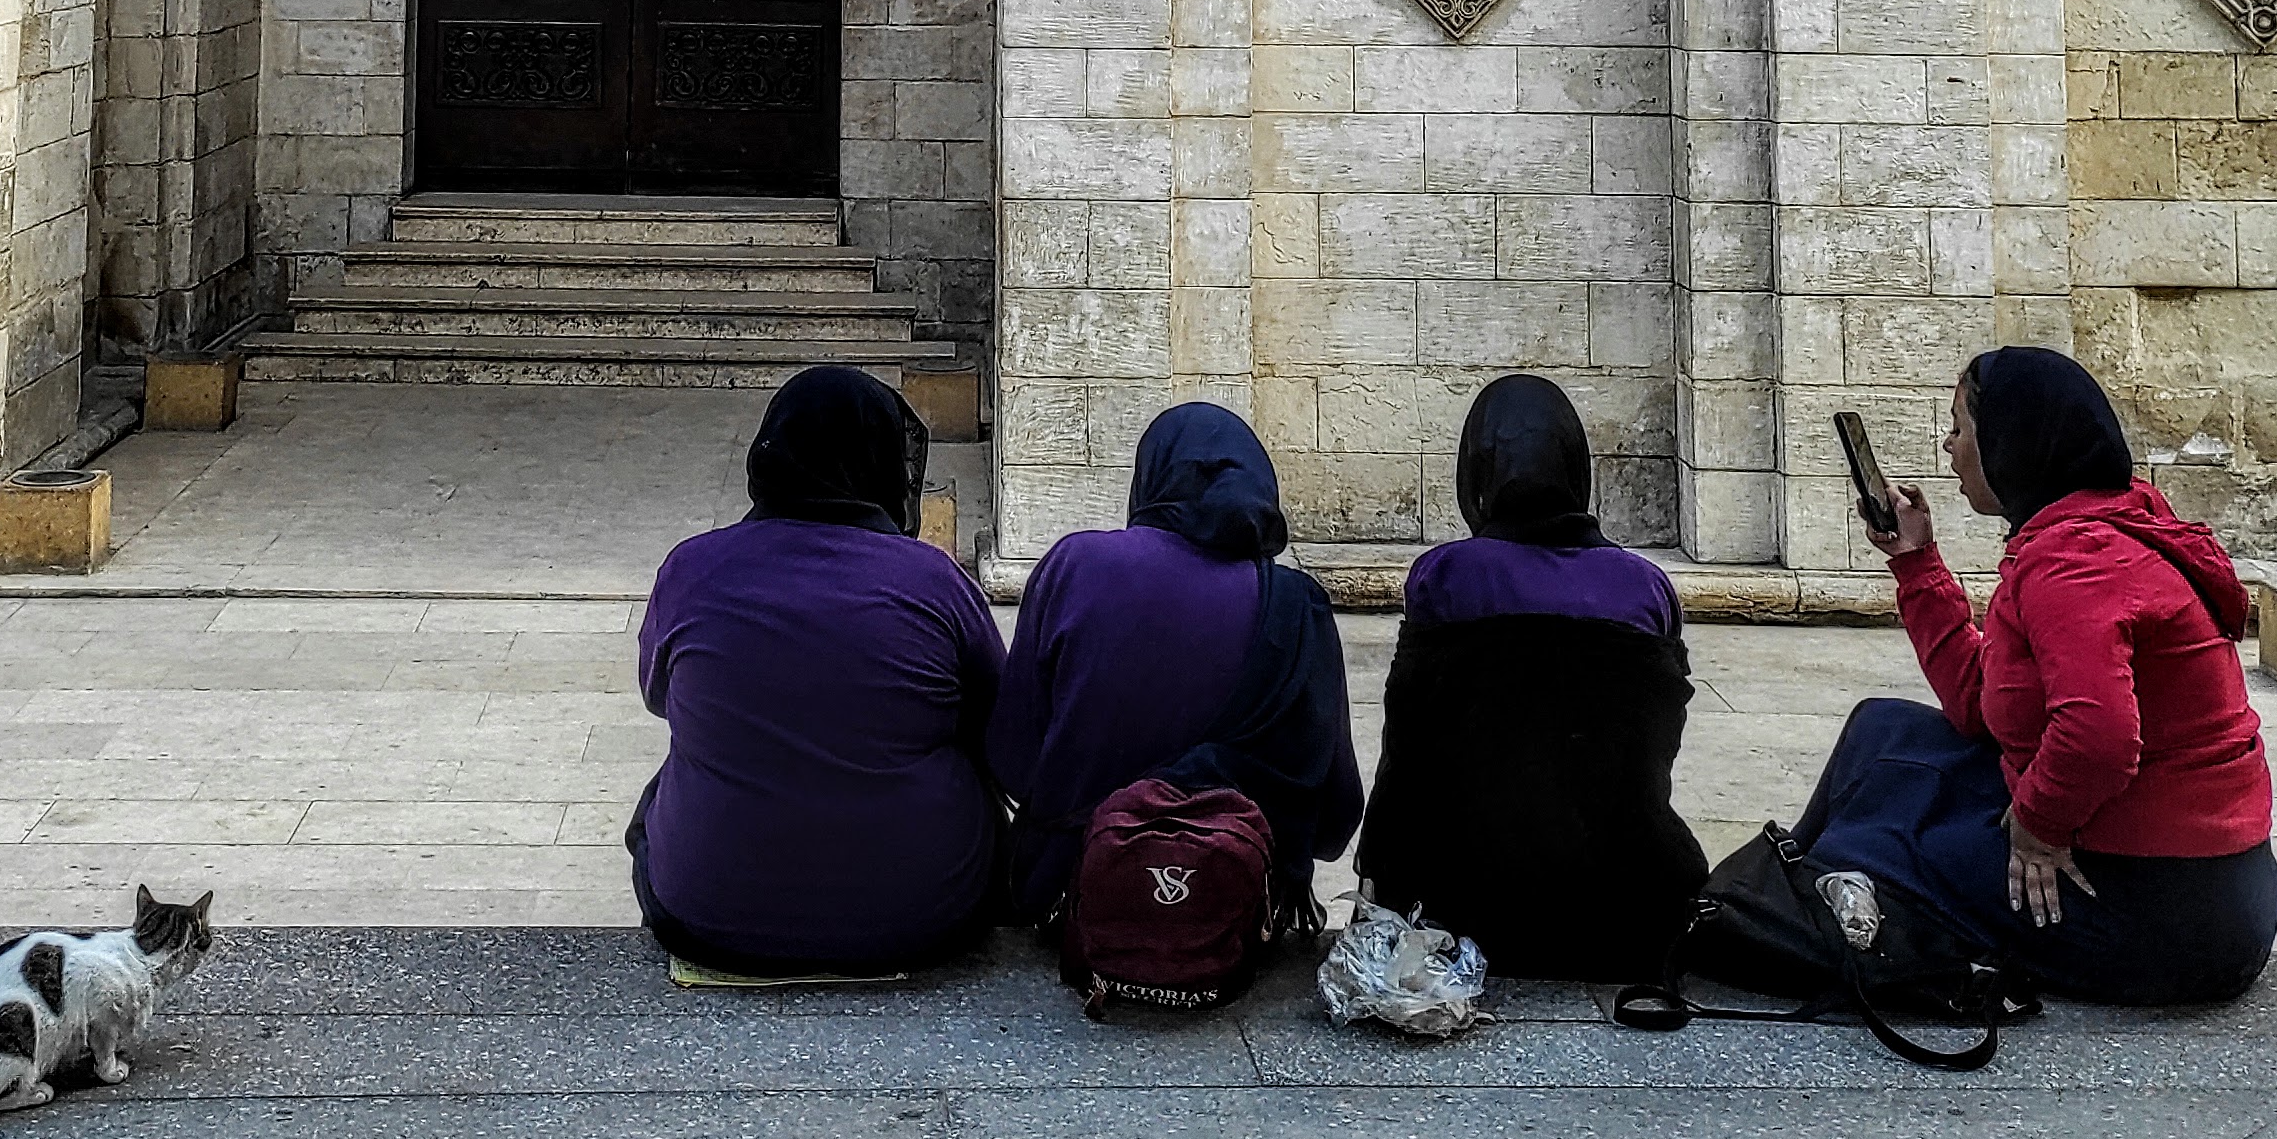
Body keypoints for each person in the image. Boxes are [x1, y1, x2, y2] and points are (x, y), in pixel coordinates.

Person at [1796, 346, 2277, 1008]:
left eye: (1961, 430)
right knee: (1883, 731)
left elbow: (2099, 736)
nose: (1949, 447)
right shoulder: (2096, 524)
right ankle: (1792, 887)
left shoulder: (2073, 560)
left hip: (2166, 914)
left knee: (1871, 845)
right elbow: (1979, 705)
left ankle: (1791, 904)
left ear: (2010, 444)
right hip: (2206, 891)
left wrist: (2037, 827)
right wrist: (1917, 564)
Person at [627, 363, 1006, 979]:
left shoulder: (692, 570)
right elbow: (998, 726)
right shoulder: (934, 581)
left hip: (707, 916)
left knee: (665, 788)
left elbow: (661, 697)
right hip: (922, 916)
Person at [1354, 372, 1705, 978]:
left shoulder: (1444, 579)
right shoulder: (1646, 588)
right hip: (1627, 915)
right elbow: (1650, 755)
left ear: (1476, 472)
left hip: (1460, 912)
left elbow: (1406, 752)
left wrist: (1377, 876)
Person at [992, 401, 1361, 933]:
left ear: (1152, 476)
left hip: (1068, 904)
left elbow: (1013, 761)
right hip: (1232, 921)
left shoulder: (1077, 566)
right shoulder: (1298, 606)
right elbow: (1334, 817)